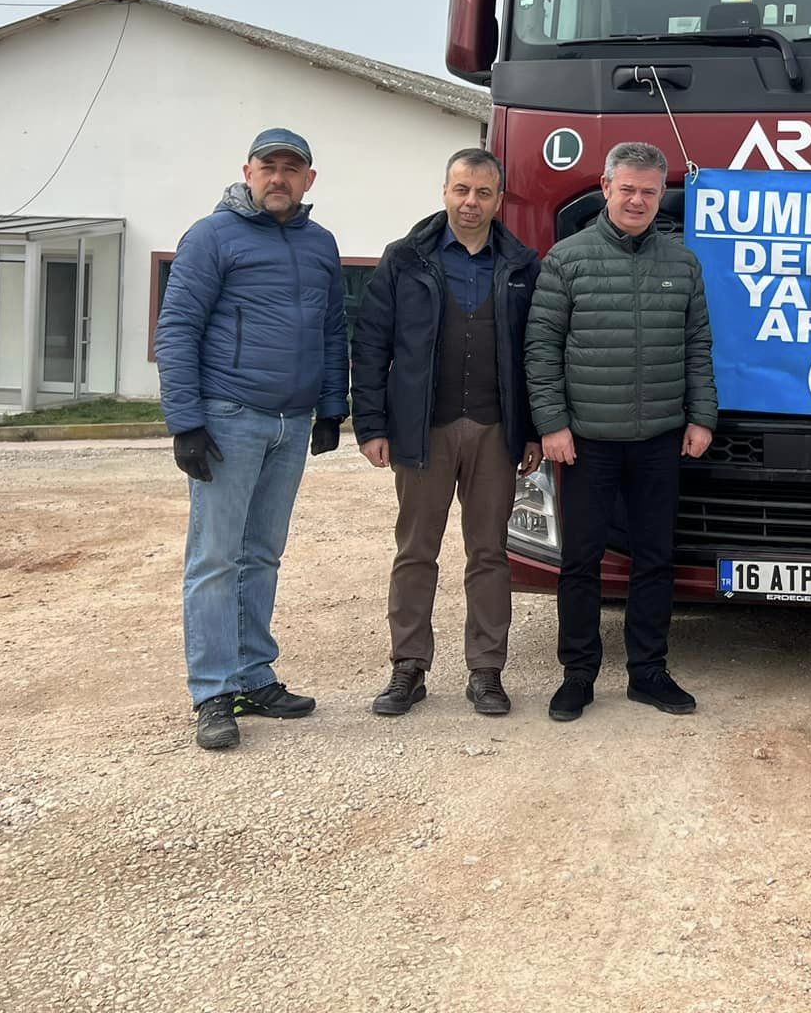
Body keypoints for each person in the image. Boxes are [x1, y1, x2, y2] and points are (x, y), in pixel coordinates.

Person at [155, 128, 349, 752]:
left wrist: (332, 408)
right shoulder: (212, 237)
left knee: (262, 553)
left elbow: (332, 329)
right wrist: (186, 422)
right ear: (248, 172)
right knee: (215, 558)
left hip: (292, 423)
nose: (279, 178)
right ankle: (213, 691)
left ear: (309, 180)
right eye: (269, 167)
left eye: (292, 169)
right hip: (229, 417)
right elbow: (177, 328)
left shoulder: (320, 244)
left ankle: (254, 676)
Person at [524, 141, 716, 723]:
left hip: (660, 437)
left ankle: (648, 672)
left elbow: (697, 346)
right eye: (627, 188)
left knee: (655, 558)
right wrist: (552, 424)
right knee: (581, 562)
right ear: (606, 188)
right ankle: (577, 675)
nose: (637, 200)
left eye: (648, 191)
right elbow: (541, 349)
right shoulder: (567, 259)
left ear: (661, 196)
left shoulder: (682, 263)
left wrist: (702, 415)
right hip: (587, 440)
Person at [351, 148, 542, 719]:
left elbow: (536, 354)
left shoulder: (522, 266)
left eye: (483, 192)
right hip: (422, 430)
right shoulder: (405, 258)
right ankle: (408, 667)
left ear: (499, 199)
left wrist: (532, 431)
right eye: (461, 190)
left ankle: (486, 671)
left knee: (490, 554)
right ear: (444, 191)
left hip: (495, 431)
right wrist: (371, 424)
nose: (470, 202)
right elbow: (371, 344)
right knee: (416, 551)